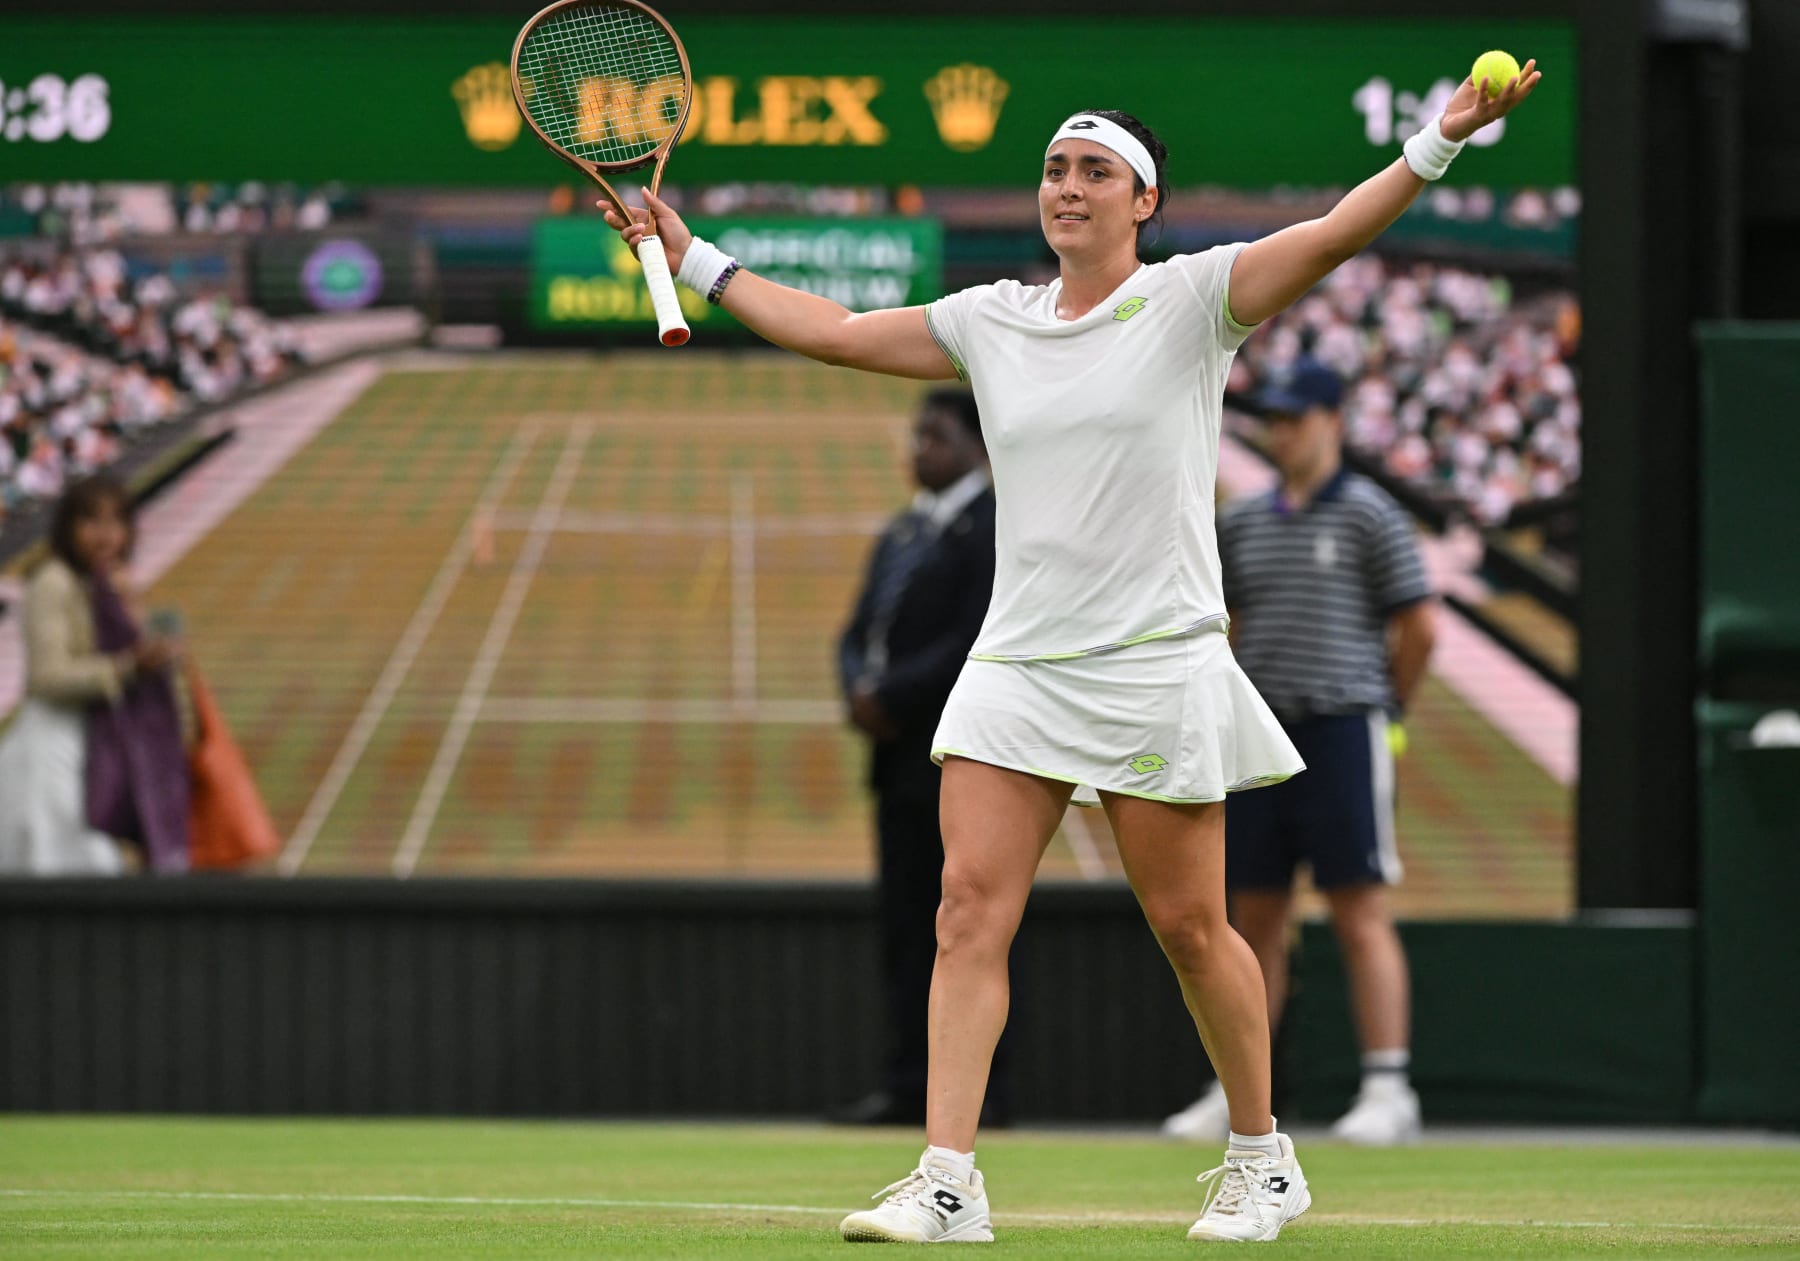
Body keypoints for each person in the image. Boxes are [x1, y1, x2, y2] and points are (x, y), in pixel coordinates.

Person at [604, 61, 1538, 1245]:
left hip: (1154, 660)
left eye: (1096, 171)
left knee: (1196, 932)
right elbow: (835, 330)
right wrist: (692, 258)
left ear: (1144, 200)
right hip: (1018, 667)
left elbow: (1337, 231)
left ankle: (1262, 1155)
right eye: (1055, 169)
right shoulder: (991, 320)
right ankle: (947, 1178)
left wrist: (1440, 140)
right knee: (965, 913)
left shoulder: (1199, 299)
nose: (1068, 188)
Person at [1161, 358, 1437, 1148]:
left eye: (1296, 418)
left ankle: (1389, 1085)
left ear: (1332, 422)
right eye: (1275, 420)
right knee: (1253, 919)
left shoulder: (1372, 515)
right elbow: (1227, 624)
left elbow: (1418, 627)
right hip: (1261, 737)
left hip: (1343, 726)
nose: (1283, 433)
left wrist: (1388, 709)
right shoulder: (1244, 521)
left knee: (1359, 909)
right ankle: (1240, 1090)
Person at [833, 388, 1001, 1128]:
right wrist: (856, 688)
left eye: (934, 435)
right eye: (917, 434)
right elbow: (856, 628)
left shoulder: (994, 527)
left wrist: (889, 694)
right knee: (906, 928)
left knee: (970, 923)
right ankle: (907, 1084)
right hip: (898, 757)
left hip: (959, 750)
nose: (918, 448)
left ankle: (978, 1098)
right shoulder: (905, 529)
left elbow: (976, 634)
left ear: (975, 445)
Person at [0, 473, 190, 874]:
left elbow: (133, 651)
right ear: (69, 527)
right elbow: (47, 679)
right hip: (50, 758)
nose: (106, 536)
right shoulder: (53, 582)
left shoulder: (103, 583)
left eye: (116, 523)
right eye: (92, 522)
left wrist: (135, 615)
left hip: (98, 745)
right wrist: (128, 667)